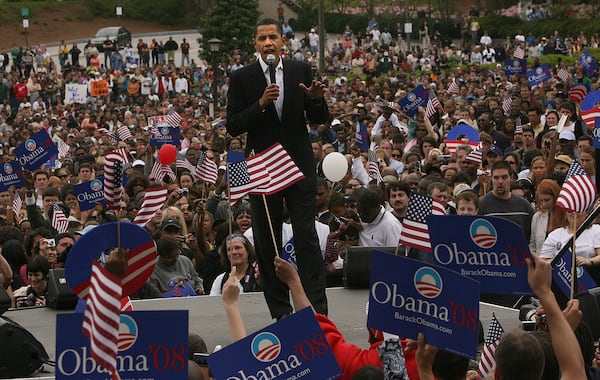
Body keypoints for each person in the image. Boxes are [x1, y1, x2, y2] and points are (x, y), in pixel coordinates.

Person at [226, 18, 329, 319]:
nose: (268, 42)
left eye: (274, 37)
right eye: (262, 38)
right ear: (254, 43)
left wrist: (317, 100)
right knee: (268, 240)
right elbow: (233, 125)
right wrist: (259, 104)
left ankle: (316, 311)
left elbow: (318, 117)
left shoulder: (300, 70)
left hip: (298, 164)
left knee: (306, 236)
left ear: (283, 42)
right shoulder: (242, 77)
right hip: (262, 165)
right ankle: (281, 313)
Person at [479, 161, 534, 241]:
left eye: (504, 177)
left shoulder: (524, 206)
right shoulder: (481, 205)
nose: (500, 182)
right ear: (491, 179)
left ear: (511, 178)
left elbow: (530, 237)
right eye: (496, 178)